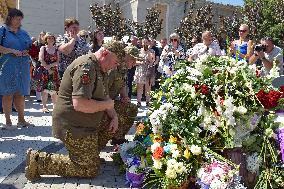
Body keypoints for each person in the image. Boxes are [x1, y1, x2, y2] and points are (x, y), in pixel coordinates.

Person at [25, 41, 127, 181]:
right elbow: (80, 104)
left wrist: (114, 116)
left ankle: (89, 154)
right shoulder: (86, 67)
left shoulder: (100, 68)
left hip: (85, 122)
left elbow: (105, 97)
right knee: (89, 169)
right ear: (104, 53)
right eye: (115, 62)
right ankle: (38, 161)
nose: (116, 66)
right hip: (72, 126)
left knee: (119, 117)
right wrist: (107, 105)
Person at [0, 8, 33, 129]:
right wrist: (11, 50)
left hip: (23, 66)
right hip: (8, 66)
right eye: (17, 19)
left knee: (20, 94)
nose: (19, 21)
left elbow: (30, 46)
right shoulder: (2, 31)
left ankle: (21, 120)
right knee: (7, 94)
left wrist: (28, 51)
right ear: (10, 18)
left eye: (20, 19)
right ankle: (8, 122)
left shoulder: (23, 33)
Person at [108, 45, 141, 145]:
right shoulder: (113, 68)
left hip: (111, 101)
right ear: (126, 56)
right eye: (133, 59)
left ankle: (118, 136)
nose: (134, 63)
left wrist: (125, 96)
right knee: (122, 112)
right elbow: (103, 91)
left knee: (131, 108)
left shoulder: (123, 69)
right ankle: (110, 135)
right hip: (101, 103)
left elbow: (122, 84)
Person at [37, 33, 60, 113]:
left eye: (52, 38)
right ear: (46, 39)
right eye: (49, 38)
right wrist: (47, 68)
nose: (51, 39)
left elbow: (57, 61)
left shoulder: (56, 49)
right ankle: (44, 106)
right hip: (44, 71)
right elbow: (41, 59)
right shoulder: (43, 48)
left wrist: (50, 66)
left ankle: (55, 106)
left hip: (54, 71)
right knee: (45, 90)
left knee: (54, 90)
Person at [134, 38, 155, 107]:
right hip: (140, 70)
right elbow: (135, 61)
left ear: (148, 43)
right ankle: (138, 102)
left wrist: (148, 52)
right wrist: (141, 62)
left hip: (148, 70)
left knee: (148, 87)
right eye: (144, 42)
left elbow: (152, 61)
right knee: (139, 87)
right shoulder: (139, 51)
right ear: (142, 43)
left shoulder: (152, 51)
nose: (145, 44)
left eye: (146, 42)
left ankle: (148, 101)